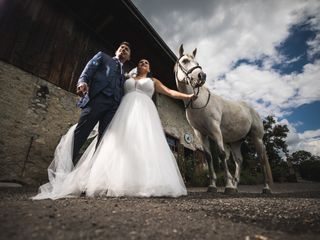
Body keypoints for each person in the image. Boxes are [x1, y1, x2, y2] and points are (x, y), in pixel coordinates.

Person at [32, 59, 195, 200]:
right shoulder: (127, 79)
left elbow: (169, 92)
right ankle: (112, 180)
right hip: (125, 110)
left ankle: (147, 181)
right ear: (137, 67)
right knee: (120, 143)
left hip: (146, 111)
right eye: (140, 62)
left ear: (149, 68)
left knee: (145, 142)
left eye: (146, 62)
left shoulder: (154, 81)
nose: (143, 63)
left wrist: (187, 97)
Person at [73, 42, 131, 165]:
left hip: (113, 107)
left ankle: (92, 173)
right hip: (97, 100)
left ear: (128, 57)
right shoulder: (103, 57)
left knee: (104, 141)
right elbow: (88, 69)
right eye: (121, 47)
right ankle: (64, 168)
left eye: (127, 50)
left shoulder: (124, 75)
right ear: (116, 51)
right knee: (81, 134)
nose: (123, 50)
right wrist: (82, 82)